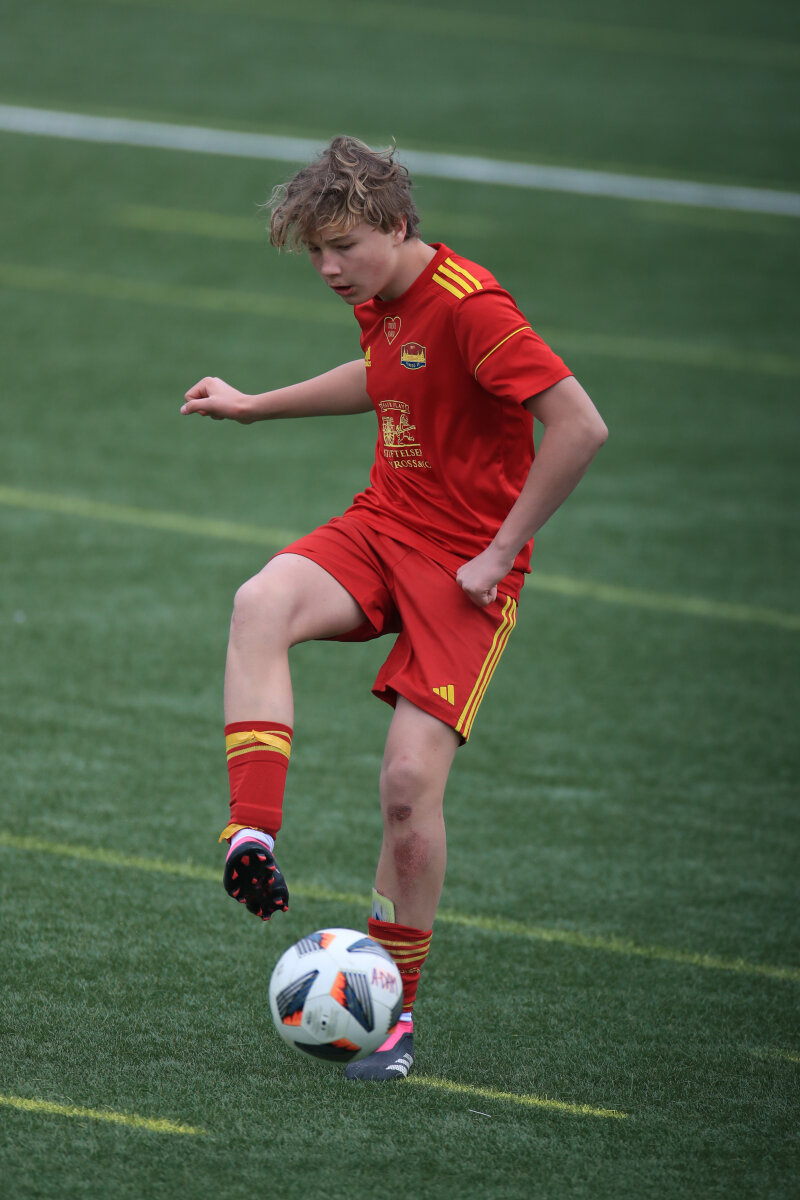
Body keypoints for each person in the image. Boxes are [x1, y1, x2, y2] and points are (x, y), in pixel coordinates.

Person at [182, 136, 608, 1081]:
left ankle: (396, 1015)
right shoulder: (380, 296)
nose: (329, 269)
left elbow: (580, 425)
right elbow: (384, 380)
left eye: (343, 247)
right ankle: (251, 832)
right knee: (260, 601)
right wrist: (254, 406)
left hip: (468, 571)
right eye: (316, 253)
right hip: (384, 527)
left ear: (399, 224)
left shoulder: (474, 307)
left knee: (408, 788)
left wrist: (500, 551)